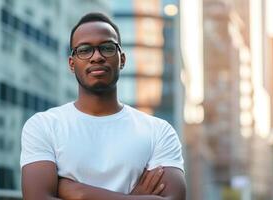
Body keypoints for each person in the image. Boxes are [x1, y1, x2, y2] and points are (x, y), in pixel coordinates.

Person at [20, 12, 186, 200]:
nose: (96, 57)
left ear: (122, 60)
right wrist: (133, 197)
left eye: (107, 48)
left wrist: (78, 192)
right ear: (71, 63)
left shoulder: (158, 131)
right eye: (84, 50)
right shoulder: (43, 125)